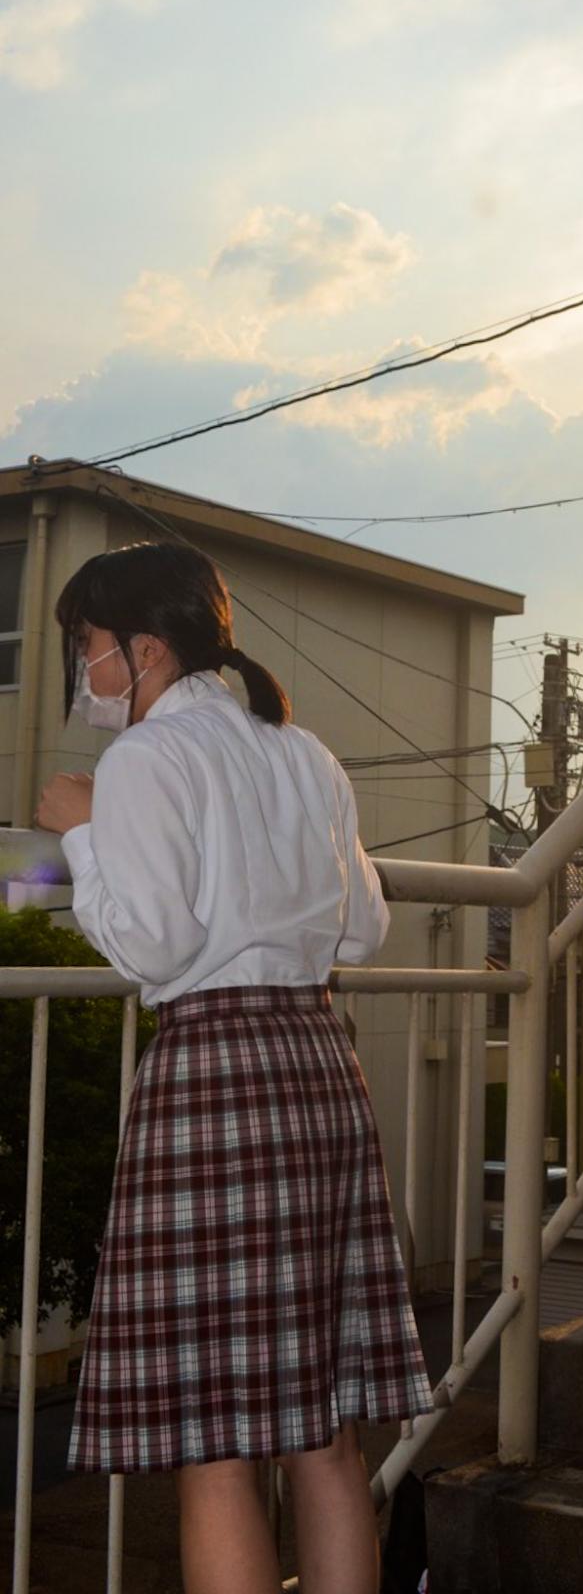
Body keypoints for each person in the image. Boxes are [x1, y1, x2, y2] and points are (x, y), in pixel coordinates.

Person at [35, 539, 434, 1594]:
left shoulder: (146, 761)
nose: (88, 673)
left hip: (214, 1071)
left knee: (215, 1446)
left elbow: (154, 944)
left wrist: (81, 834)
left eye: (90, 647)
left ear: (145, 647)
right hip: (316, 1065)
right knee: (323, 1427)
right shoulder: (302, 750)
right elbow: (364, 930)